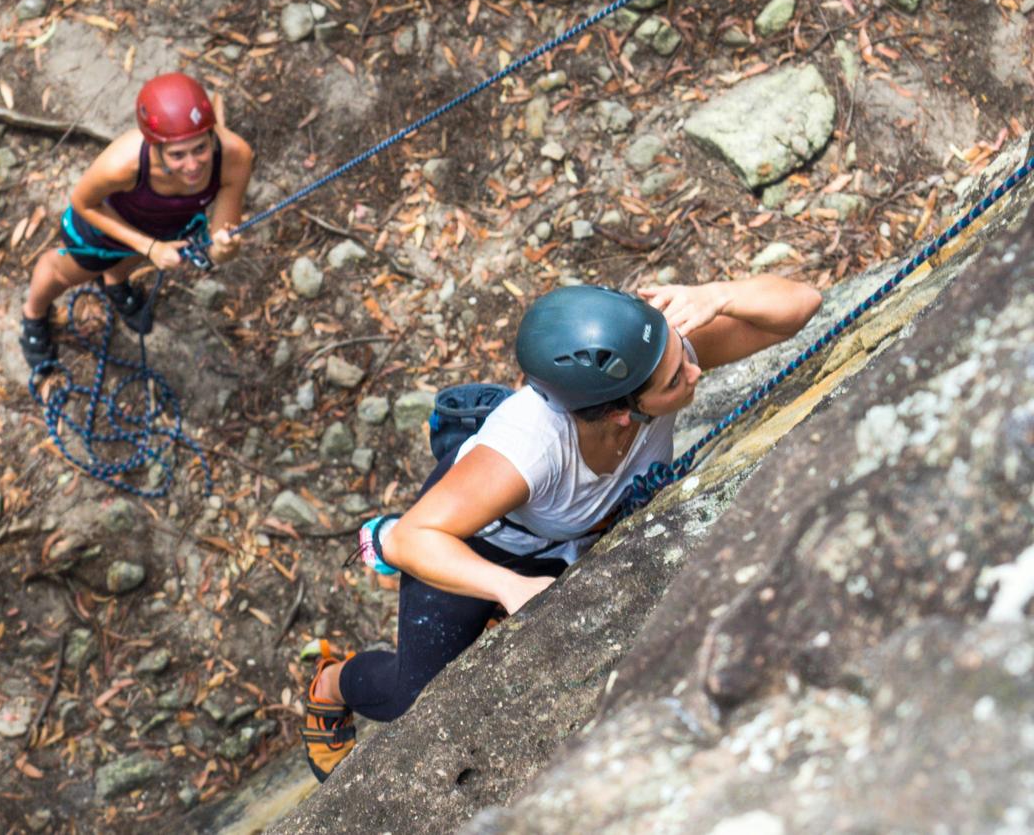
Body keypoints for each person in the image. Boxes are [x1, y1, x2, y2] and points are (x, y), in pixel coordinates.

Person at [299, 276, 822, 781]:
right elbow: (410, 538)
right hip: (479, 539)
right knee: (410, 699)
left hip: (566, 533)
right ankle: (332, 684)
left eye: (683, 354)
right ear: (621, 413)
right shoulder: (532, 449)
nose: (693, 372)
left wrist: (719, 295)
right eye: (675, 378)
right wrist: (510, 587)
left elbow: (801, 306)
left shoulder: (654, 359)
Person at [19, 72, 254, 368]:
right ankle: (33, 314)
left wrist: (225, 249)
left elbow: (219, 243)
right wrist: (150, 246)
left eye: (201, 148)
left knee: (132, 261)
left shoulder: (234, 157)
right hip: (104, 225)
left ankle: (115, 282)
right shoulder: (123, 164)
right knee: (64, 274)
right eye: (177, 155)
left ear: (212, 134)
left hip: (163, 227)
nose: (193, 166)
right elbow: (82, 203)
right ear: (154, 146)